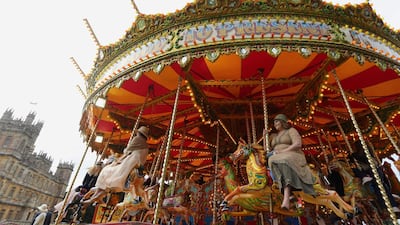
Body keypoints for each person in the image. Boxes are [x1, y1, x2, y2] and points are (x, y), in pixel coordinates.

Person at [81, 125, 150, 206]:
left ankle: (108, 187)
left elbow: (127, 150)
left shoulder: (137, 139)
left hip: (133, 161)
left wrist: (124, 152)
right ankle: (96, 197)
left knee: (113, 171)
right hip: (140, 166)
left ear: (139, 133)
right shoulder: (146, 145)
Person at [267, 114, 315, 210]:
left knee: (283, 160)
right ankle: (275, 183)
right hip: (275, 155)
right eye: (274, 122)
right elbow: (267, 149)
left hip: (292, 154)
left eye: (277, 121)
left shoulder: (291, 131)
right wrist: (265, 136)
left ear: (283, 122)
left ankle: (287, 192)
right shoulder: (274, 136)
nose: (275, 123)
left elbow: (297, 144)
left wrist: (284, 151)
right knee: (266, 160)